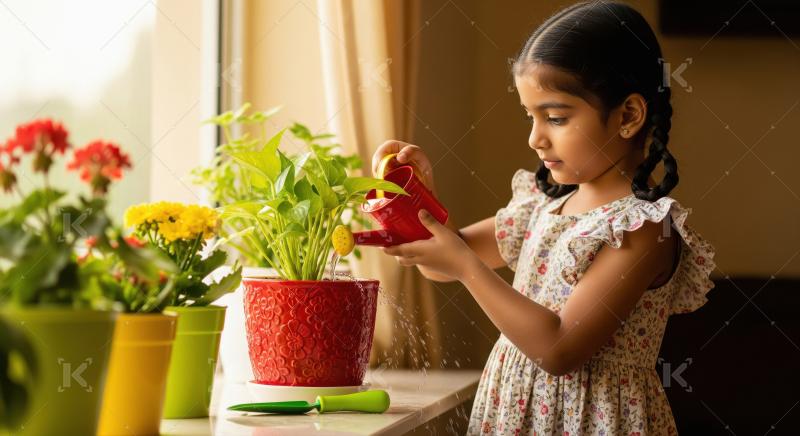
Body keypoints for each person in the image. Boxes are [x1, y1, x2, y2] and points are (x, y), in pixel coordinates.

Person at [373, 1, 717, 434]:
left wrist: (465, 266)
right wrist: (415, 194)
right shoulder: (542, 205)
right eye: (530, 116)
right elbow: (437, 260)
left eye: (555, 118)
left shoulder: (643, 230)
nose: (535, 138)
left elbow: (557, 349)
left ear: (628, 115)